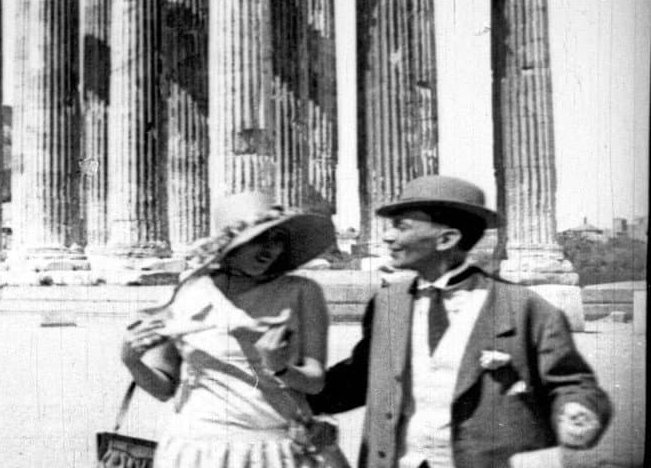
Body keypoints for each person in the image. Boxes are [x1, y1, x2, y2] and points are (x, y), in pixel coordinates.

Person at [277, 175, 611, 468]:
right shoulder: (387, 304)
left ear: (446, 240)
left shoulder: (524, 308)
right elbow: (359, 378)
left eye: (401, 226)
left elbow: (572, 383)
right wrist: (282, 390)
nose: (388, 237)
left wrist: (578, 409)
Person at [120, 191, 342, 468]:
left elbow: (315, 382)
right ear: (228, 244)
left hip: (273, 449)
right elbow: (164, 388)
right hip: (196, 449)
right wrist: (131, 360)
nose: (269, 249)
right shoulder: (187, 292)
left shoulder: (302, 292)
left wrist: (280, 368)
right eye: (258, 239)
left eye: (277, 239)